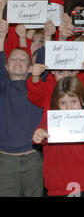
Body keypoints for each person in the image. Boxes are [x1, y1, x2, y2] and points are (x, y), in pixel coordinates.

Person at [31, 76, 84, 196]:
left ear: (82, 101)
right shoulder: (49, 120)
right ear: (56, 103)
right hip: (57, 186)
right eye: (63, 103)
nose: (69, 107)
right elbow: (38, 136)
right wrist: (39, 134)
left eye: (73, 101)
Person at [0, 20, 44, 197]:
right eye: (13, 59)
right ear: (5, 66)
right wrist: (2, 36)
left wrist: (49, 36)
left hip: (34, 158)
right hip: (5, 160)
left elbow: (45, 60)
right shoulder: (2, 86)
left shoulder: (37, 87)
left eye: (23, 59)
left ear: (30, 67)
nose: (18, 62)